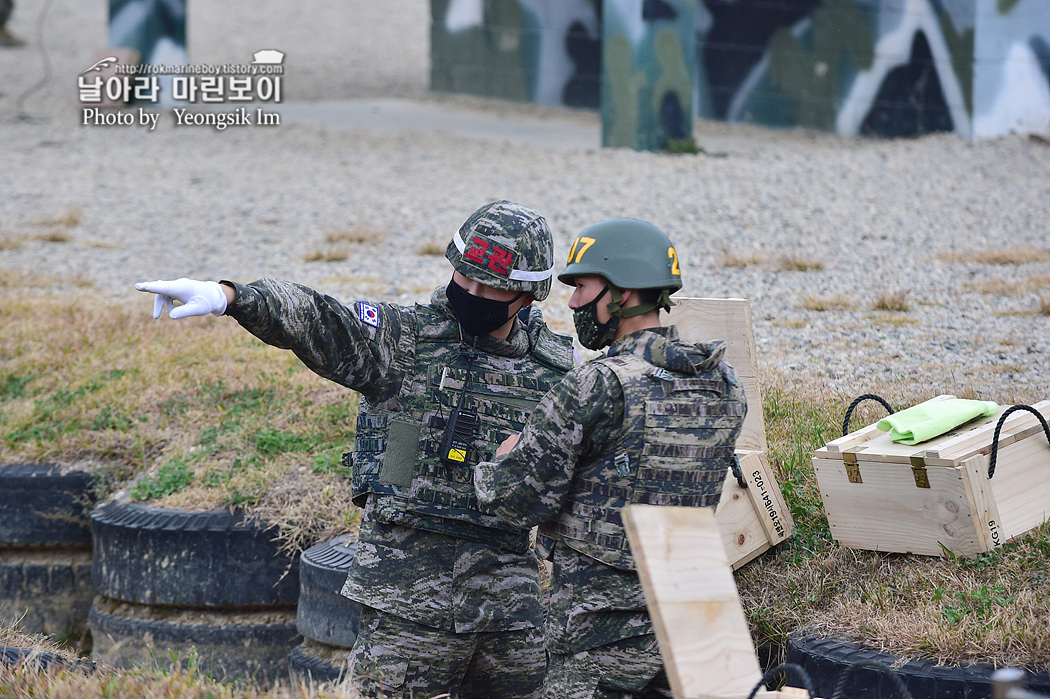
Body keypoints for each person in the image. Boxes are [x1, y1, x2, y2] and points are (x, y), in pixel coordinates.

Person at [136, 200, 575, 699]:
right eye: (463, 276)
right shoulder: (401, 340)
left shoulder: (559, 374)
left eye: (489, 285)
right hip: (405, 605)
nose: (471, 292)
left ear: (527, 294)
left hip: (509, 612)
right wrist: (232, 296)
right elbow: (319, 317)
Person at [472, 218, 747, 699]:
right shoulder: (725, 385)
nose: (574, 301)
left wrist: (504, 457)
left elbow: (514, 501)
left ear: (623, 292)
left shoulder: (597, 386)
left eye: (583, 285)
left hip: (596, 646)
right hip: (689, 635)